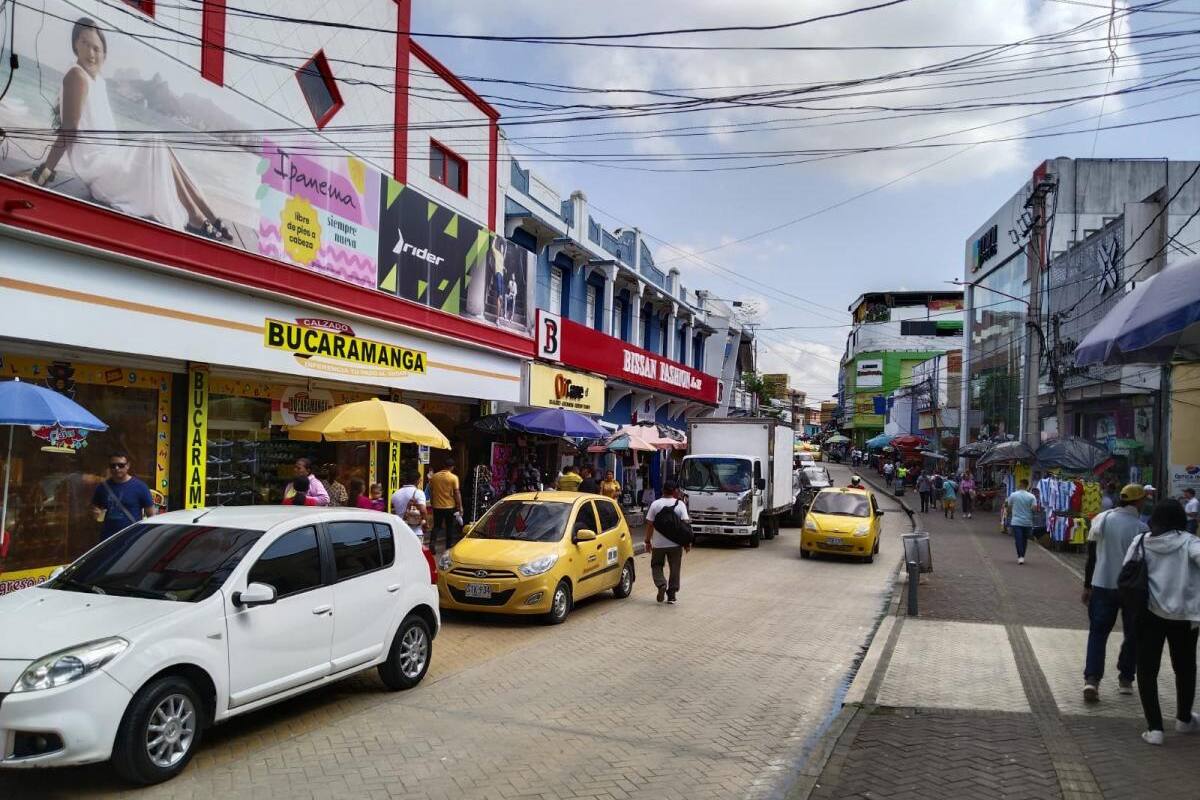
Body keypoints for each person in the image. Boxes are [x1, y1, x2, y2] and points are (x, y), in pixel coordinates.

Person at [33, 18, 233, 241]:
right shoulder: (77, 75)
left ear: (104, 55)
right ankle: (198, 217)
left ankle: (210, 215)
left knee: (162, 149)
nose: (91, 52)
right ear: (75, 45)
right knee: (154, 142)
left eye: (97, 48)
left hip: (109, 164)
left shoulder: (97, 80)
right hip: (101, 174)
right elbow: (68, 128)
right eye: (85, 43)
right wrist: (44, 172)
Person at [1123, 499, 1200, 745]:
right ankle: (1184, 719)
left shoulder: (1141, 541)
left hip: (1149, 614)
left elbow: (1127, 570)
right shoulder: (1191, 542)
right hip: (1185, 616)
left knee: (1147, 669)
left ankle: (1155, 729)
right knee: (1185, 667)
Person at [1081, 484, 1149, 703]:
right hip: (1131, 590)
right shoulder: (1141, 529)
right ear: (1138, 502)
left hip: (1101, 584)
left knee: (1098, 633)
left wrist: (1087, 585)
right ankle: (1126, 679)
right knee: (1133, 635)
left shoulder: (1102, 519)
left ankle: (1092, 679)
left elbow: (1091, 556)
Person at [90, 450, 156, 540]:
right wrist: (96, 512)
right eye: (113, 466)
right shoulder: (103, 487)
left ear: (128, 465)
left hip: (132, 538)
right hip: (108, 539)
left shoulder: (140, 487)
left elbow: (151, 516)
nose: (117, 468)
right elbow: (95, 507)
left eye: (121, 465)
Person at [644, 480, 691, 604]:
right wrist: (686, 543)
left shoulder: (655, 504)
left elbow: (649, 525)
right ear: (675, 491)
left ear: (663, 490)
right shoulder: (680, 504)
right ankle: (672, 595)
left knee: (656, 565)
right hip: (675, 544)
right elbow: (685, 525)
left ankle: (661, 584)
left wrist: (648, 541)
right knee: (675, 568)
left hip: (658, 544)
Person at [428, 459, 463, 551]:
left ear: (443, 465)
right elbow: (457, 492)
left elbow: (431, 491)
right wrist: (460, 506)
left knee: (436, 526)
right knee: (449, 526)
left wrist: (432, 501)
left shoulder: (434, 477)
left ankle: (432, 542)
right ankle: (448, 546)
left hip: (437, 506)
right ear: (452, 467)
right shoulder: (453, 477)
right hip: (449, 506)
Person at [1004, 480, 1039, 565]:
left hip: (1016, 521)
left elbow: (1008, 507)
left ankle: (1020, 556)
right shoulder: (1031, 496)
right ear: (1027, 486)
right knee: (1024, 540)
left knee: (1018, 539)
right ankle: (1022, 555)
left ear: (1020, 485)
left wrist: (1008, 517)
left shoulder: (1013, 495)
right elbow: (1034, 509)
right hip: (1027, 522)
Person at [391, 470, 429, 540]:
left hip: (400, 531)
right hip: (415, 532)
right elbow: (423, 511)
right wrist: (426, 524)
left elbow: (393, 511)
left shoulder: (395, 494)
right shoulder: (419, 493)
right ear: (417, 481)